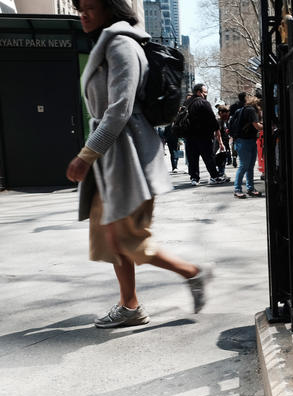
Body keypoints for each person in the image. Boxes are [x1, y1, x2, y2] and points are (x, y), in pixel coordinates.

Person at [66, 0, 212, 328]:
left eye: (89, 7)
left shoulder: (121, 45)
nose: (83, 14)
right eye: (80, 8)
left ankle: (192, 273)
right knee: (109, 238)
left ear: (110, 8)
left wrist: (85, 156)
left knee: (130, 240)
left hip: (129, 158)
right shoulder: (109, 45)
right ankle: (130, 305)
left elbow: (119, 109)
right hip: (114, 160)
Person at [183, 84, 229, 186]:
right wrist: (217, 131)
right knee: (209, 157)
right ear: (199, 92)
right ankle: (214, 176)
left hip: (189, 136)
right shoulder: (203, 103)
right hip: (203, 135)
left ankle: (194, 178)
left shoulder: (186, 103)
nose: (206, 94)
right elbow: (212, 119)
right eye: (205, 92)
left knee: (192, 158)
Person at [233, 95, 262, 199]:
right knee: (244, 166)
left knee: (249, 166)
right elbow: (257, 126)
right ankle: (238, 189)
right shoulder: (251, 111)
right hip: (245, 141)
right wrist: (269, 126)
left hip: (245, 140)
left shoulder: (244, 109)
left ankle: (250, 188)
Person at [228, 92, 246, 168]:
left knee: (235, 142)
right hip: (245, 127)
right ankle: (243, 158)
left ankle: (234, 156)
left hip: (235, 127)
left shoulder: (233, 106)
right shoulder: (246, 106)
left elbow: (230, 117)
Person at [214, 105, 230, 177]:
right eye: (225, 112)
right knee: (220, 158)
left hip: (224, 142)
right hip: (219, 142)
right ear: (220, 113)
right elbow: (217, 133)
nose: (227, 114)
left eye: (227, 112)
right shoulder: (219, 121)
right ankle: (220, 174)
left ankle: (221, 173)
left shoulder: (224, 121)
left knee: (222, 158)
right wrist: (220, 143)